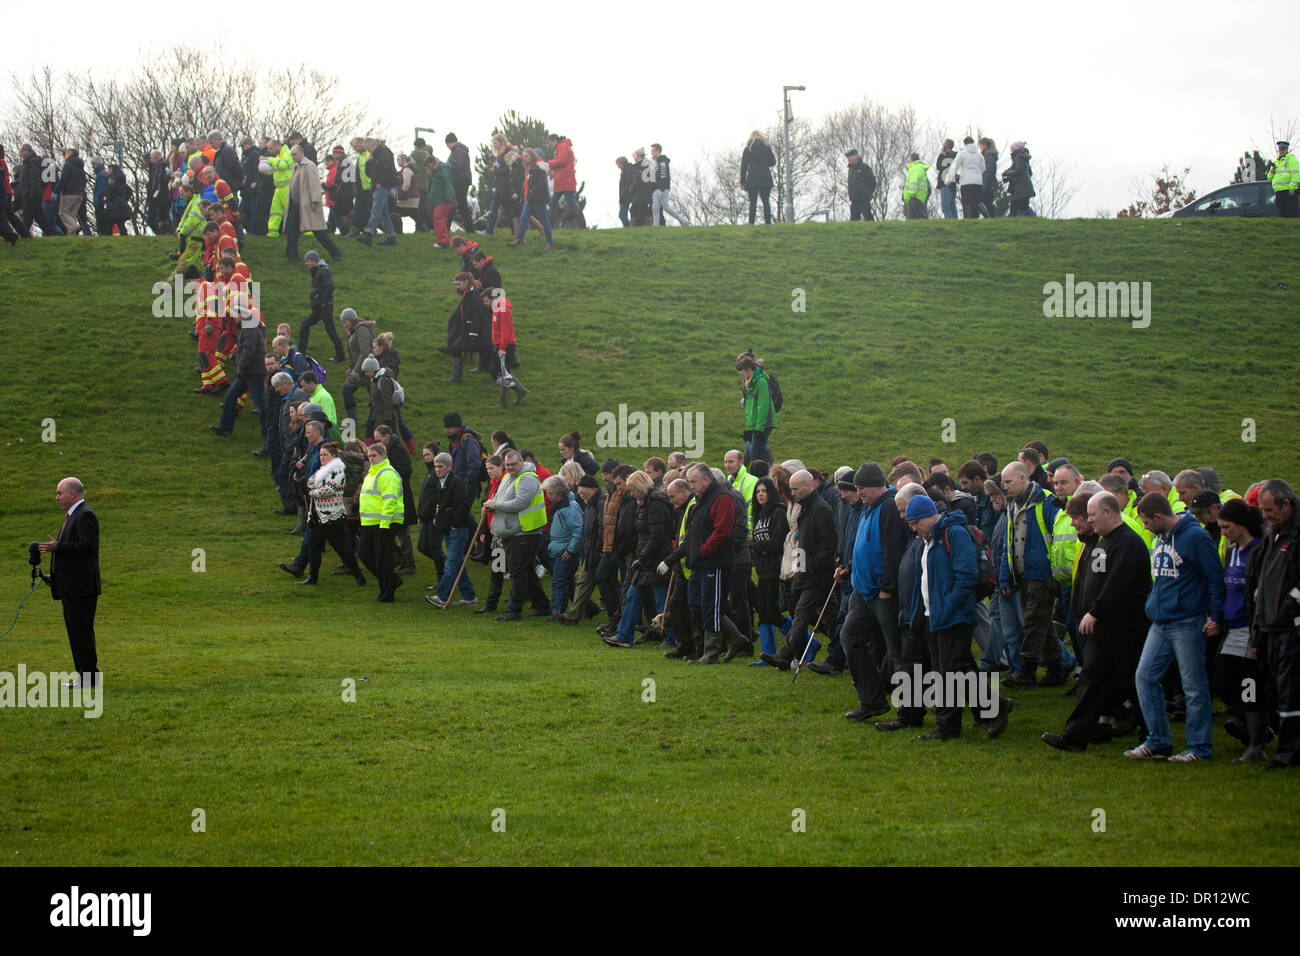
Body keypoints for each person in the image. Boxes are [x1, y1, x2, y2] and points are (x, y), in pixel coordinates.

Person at [1041, 492, 1151, 753]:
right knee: (1091, 678)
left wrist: (1095, 612)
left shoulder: (1128, 543)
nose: (1089, 520)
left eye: (1092, 514)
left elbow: (1117, 583)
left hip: (1123, 627)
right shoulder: (1104, 541)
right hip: (1102, 627)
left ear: (1108, 512)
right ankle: (1076, 736)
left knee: (1135, 682)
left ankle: (1151, 733)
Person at [1126, 492, 1225, 761]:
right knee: (1144, 677)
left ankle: (1199, 747)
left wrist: (1215, 616)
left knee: (1193, 687)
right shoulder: (1162, 538)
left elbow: (1215, 577)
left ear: (1158, 517)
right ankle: (1157, 741)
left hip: (1186, 621)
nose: (1144, 527)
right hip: (1160, 622)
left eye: (1146, 521)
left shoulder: (1195, 538)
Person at [903, 494, 1012, 739]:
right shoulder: (931, 538)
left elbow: (966, 576)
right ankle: (980, 713)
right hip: (936, 615)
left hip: (953, 616)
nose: (913, 529)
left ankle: (954, 725)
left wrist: (948, 606)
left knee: (953, 673)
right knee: (951, 672)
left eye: (914, 523)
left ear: (928, 517)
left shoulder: (954, 534)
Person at [998, 461, 1065, 686]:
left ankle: (1027, 670)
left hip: (1042, 574)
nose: (1004, 486)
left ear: (1023, 478)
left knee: (1033, 621)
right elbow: (1008, 544)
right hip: (1023, 574)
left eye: (1008, 481)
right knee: (1042, 623)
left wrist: (1053, 571)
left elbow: (1058, 537)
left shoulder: (1047, 502)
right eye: (1003, 482)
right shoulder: (1012, 505)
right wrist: (1005, 576)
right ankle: (1058, 668)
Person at [1248, 480, 1300, 767]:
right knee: (1279, 689)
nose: (1265, 516)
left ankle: (1289, 753)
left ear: (1286, 504)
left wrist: (1286, 609)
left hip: (1290, 627)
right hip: (1271, 626)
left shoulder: (1295, 535)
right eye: (1262, 510)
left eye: (1270, 510)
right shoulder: (1275, 533)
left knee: (1291, 689)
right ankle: (1286, 748)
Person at [1211, 499, 1267, 762]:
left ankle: (1256, 743)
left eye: (1226, 527)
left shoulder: (1259, 550)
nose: (1223, 532)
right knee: (1222, 680)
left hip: (1250, 629)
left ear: (1241, 525)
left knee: (1249, 684)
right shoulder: (1233, 550)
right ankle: (1257, 725)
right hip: (1232, 629)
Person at [36, 478, 101, 687]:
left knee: (81, 632)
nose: (57, 498)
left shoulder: (85, 515)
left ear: (72, 494)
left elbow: (87, 547)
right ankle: (83, 675)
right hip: (71, 586)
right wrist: (55, 578)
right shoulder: (73, 516)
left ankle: (89, 677)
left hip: (81, 588)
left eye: (59, 493)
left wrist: (58, 547)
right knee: (76, 632)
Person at [484, 450, 551, 621]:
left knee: (517, 572)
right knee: (526, 571)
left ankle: (513, 610)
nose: (510, 467)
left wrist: (496, 505)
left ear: (522, 461)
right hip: (514, 531)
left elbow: (520, 503)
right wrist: (490, 504)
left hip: (525, 532)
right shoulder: (508, 476)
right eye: (507, 465)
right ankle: (542, 604)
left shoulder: (527, 478)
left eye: (513, 464)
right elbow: (498, 496)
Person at [684, 464, 738, 664]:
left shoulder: (722, 498)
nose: (691, 487)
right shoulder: (702, 499)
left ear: (706, 480)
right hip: (700, 562)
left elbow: (722, 531)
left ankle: (711, 651)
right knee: (696, 603)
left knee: (711, 605)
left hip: (714, 562)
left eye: (693, 482)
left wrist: (703, 550)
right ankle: (735, 638)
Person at [303, 442, 366, 587]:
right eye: (320, 455)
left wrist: (313, 492)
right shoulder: (322, 471)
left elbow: (328, 490)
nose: (322, 458)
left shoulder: (338, 471)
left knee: (343, 548)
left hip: (333, 516)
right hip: (317, 515)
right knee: (314, 547)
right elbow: (310, 482)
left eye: (325, 455)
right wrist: (314, 489)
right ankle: (313, 577)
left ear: (334, 456)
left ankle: (359, 575)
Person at [425, 453, 477, 609]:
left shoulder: (457, 483)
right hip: (447, 528)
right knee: (458, 562)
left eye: (440, 466)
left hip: (457, 529)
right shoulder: (440, 482)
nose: (437, 469)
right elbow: (442, 504)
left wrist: (455, 524)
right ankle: (469, 596)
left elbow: (463, 505)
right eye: (435, 466)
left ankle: (442, 596)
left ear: (449, 466)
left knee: (452, 562)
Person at [210, 306, 266, 438]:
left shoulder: (249, 328)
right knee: (230, 397)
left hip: (253, 372)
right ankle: (225, 428)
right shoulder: (247, 327)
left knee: (261, 404)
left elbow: (248, 351)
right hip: (248, 373)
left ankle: (267, 434)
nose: (234, 318)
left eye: (236, 315)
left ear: (243, 315)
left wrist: (241, 368)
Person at [358, 441, 404, 602]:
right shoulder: (372, 473)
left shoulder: (388, 473)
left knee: (384, 558)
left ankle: (387, 593)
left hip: (385, 522)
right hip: (371, 522)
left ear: (383, 456)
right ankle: (391, 581)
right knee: (364, 554)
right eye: (369, 456)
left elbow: (390, 500)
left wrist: (385, 524)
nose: (371, 459)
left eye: (374, 456)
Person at [287, 146, 342, 262]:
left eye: (294, 154)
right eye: (291, 155)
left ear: (301, 153)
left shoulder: (309, 166)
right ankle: (291, 253)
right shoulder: (296, 167)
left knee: (318, 231)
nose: (292, 157)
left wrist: (315, 201)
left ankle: (335, 252)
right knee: (292, 228)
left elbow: (315, 184)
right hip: (296, 203)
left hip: (306, 204)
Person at [299, 251, 344, 361]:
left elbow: (331, 286)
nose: (306, 263)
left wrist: (323, 301)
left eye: (308, 261)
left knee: (330, 330)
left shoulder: (323, 271)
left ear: (315, 260)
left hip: (325, 307)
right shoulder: (318, 271)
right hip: (320, 307)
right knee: (305, 325)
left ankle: (341, 355)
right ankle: (300, 353)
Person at [737, 349, 776, 465]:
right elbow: (750, 409)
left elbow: (763, 406)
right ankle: (766, 475)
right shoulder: (749, 383)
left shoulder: (761, 381)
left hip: (763, 425)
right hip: (755, 425)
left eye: (741, 372)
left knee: (755, 453)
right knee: (756, 451)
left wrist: (759, 428)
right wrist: (750, 429)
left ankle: (764, 478)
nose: (740, 375)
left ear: (748, 369)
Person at [508, 149, 553, 249]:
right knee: (523, 218)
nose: (524, 158)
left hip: (538, 199)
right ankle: (519, 239)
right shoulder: (529, 168)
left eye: (526, 156)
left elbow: (542, 184)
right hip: (529, 199)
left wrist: (532, 191)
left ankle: (549, 242)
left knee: (544, 220)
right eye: (523, 156)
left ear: (532, 156)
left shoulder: (538, 168)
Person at [357, 137, 398, 246]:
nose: (367, 151)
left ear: (373, 145)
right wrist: (368, 162)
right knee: (384, 213)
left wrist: (381, 182)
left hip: (382, 186)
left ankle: (368, 234)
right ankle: (391, 237)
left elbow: (389, 170)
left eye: (368, 148)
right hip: (377, 186)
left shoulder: (385, 154)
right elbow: (369, 173)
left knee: (376, 210)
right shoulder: (376, 156)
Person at [740, 132, 777, 225]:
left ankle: (751, 223)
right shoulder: (767, 148)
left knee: (753, 202)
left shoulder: (748, 149)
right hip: (766, 177)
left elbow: (744, 166)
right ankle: (768, 223)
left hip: (752, 178)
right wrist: (764, 164)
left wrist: (742, 181)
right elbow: (773, 162)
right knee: (766, 201)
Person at [546, 133, 581, 230]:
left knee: (558, 202)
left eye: (550, 144)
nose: (550, 146)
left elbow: (562, 161)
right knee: (568, 203)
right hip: (564, 180)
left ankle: (549, 225)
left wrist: (549, 163)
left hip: (564, 180)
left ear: (554, 140)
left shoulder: (562, 147)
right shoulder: (564, 146)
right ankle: (575, 224)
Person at [948, 136, 986, 219]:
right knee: (978, 202)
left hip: (966, 182)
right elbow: (983, 168)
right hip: (978, 182)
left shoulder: (962, 153)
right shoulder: (979, 154)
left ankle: (968, 220)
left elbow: (954, 167)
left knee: (967, 203)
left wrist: (949, 180)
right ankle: (987, 216)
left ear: (964, 143)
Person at [649, 143, 686, 226]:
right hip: (656, 189)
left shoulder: (662, 160)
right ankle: (656, 225)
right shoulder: (655, 162)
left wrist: (661, 187)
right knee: (655, 208)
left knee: (666, 207)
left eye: (653, 151)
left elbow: (663, 175)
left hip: (662, 188)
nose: (651, 153)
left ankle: (682, 220)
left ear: (658, 151)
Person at [444, 133, 474, 233]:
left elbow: (458, 165)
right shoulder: (459, 150)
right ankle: (469, 230)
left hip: (460, 180)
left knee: (457, 204)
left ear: (450, 143)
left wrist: (447, 166)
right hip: (461, 180)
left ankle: (446, 228)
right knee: (461, 205)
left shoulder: (459, 150)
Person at [425, 155, 457, 247]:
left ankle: (444, 241)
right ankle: (443, 240)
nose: (428, 168)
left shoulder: (443, 169)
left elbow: (448, 181)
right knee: (439, 219)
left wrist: (450, 194)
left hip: (445, 199)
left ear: (431, 163)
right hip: (441, 199)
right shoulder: (438, 169)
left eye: (428, 166)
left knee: (438, 217)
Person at [55, 148, 87, 235]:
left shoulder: (68, 165)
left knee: (62, 213)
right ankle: (72, 235)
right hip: (79, 194)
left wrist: (56, 190)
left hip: (69, 193)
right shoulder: (80, 167)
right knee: (71, 216)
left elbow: (63, 179)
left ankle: (74, 227)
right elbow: (84, 180)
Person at [1267, 140, 1299, 218]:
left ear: (1286, 149)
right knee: (1281, 213)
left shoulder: (1291, 159)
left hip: (1288, 191)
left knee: (1290, 213)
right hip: (1279, 191)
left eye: (1283, 149)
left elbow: (1295, 174)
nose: (1281, 151)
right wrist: (1272, 171)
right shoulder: (1276, 161)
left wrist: (1292, 188)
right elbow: (1269, 177)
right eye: (1280, 149)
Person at [1002, 141, 1036, 217]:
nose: (1010, 150)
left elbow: (1018, 171)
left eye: (1011, 149)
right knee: (1022, 207)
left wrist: (1006, 173)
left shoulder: (1019, 158)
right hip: (1025, 187)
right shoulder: (1023, 158)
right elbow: (1029, 172)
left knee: (1021, 207)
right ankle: (1029, 219)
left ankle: (1030, 218)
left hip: (1021, 188)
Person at [845, 149, 876, 222]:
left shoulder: (864, 167)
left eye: (850, 157)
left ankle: (875, 230)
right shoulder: (851, 169)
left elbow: (872, 182)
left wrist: (868, 194)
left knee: (868, 217)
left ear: (855, 156)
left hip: (864, 199)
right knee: (853, 220)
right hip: (854, 199)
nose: (848, 159)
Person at [903, 152, 930, 220]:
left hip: (914, 197)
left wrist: (909, 195)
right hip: (920, 196)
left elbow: (914, 183)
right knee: (920, 218)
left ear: (911, 159)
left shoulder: (914, 168)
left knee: (913, 219)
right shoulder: (920, 168)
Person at [935, 139, 957, 219]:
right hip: (953, 182)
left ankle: (950, 223)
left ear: (945, 146)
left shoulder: (944, 156)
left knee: (946, 207)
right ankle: (956, 222)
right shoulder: (956, 156)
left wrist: (941, 154)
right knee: (952, 206)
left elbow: (938, 166)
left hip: (944, 183)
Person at [978, 138, 999, 217]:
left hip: (987, 183)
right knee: (987, 203)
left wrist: (984, 185)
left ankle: (990, 218)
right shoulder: (988, 155)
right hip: (989, 183)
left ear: (983, 145)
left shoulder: (987, 155)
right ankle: (990, 218)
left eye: (979, 145)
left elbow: (989, 170)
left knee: (983, 202)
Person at [615, 156, 636, 227]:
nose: (617, 166)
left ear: (621, 163)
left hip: (625, 196)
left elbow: (627, 183)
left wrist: (624, 193)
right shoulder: (625, 170)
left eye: (617, 164)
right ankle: (627, 227)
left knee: (622, 215)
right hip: (625, 196)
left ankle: (628, 227)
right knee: (624, 214)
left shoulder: (626, 170)